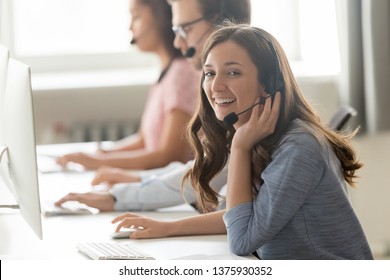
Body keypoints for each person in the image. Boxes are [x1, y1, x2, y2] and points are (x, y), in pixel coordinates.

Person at [110, 24, 374, 260]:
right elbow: (241, 215)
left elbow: (241, 239)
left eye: (233, 73)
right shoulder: (265, 137)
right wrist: (166, 228)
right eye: (210, 73)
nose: (215, 87)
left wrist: (239, 147)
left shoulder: (298, 147)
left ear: (268, 84)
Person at [55, 0, 251, 211]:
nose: (177, 42)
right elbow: (202, 171)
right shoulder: (219, 97)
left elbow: (181, 163)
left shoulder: (238, 105)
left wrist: (122, 191)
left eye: (186, 28)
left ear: (222, 25)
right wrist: (128, 179)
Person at [56, 0, 199, 171]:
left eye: (136, 16)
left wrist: (98, 162)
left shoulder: (182, 73)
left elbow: (169, 156)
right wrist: (102, 154)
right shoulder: (167, 72)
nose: (130, 27)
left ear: (161, 19)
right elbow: (144, 140)